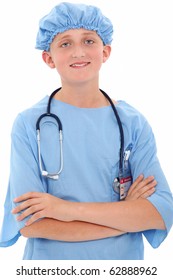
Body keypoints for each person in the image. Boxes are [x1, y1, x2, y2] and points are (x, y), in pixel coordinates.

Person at [0, 2, 173, 260]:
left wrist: (63, 209)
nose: (78, 52)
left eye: (89, 41)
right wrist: (125, 214)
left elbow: (161, 213)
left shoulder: (132, 123)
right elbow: (31, 223)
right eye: (65, 43)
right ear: (48, 58)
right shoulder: (28, 123)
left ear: (106, 52)